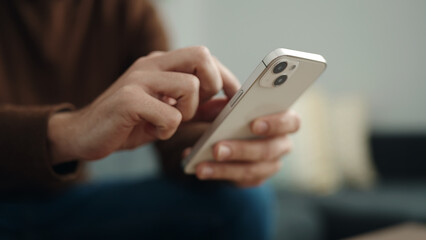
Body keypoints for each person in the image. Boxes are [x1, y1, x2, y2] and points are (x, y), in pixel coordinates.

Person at [0, 1, 300, 239]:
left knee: (242, 201)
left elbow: (174, 136)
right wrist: (69, 132)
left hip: (64, 203)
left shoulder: (129, 11)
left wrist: (223, 145)